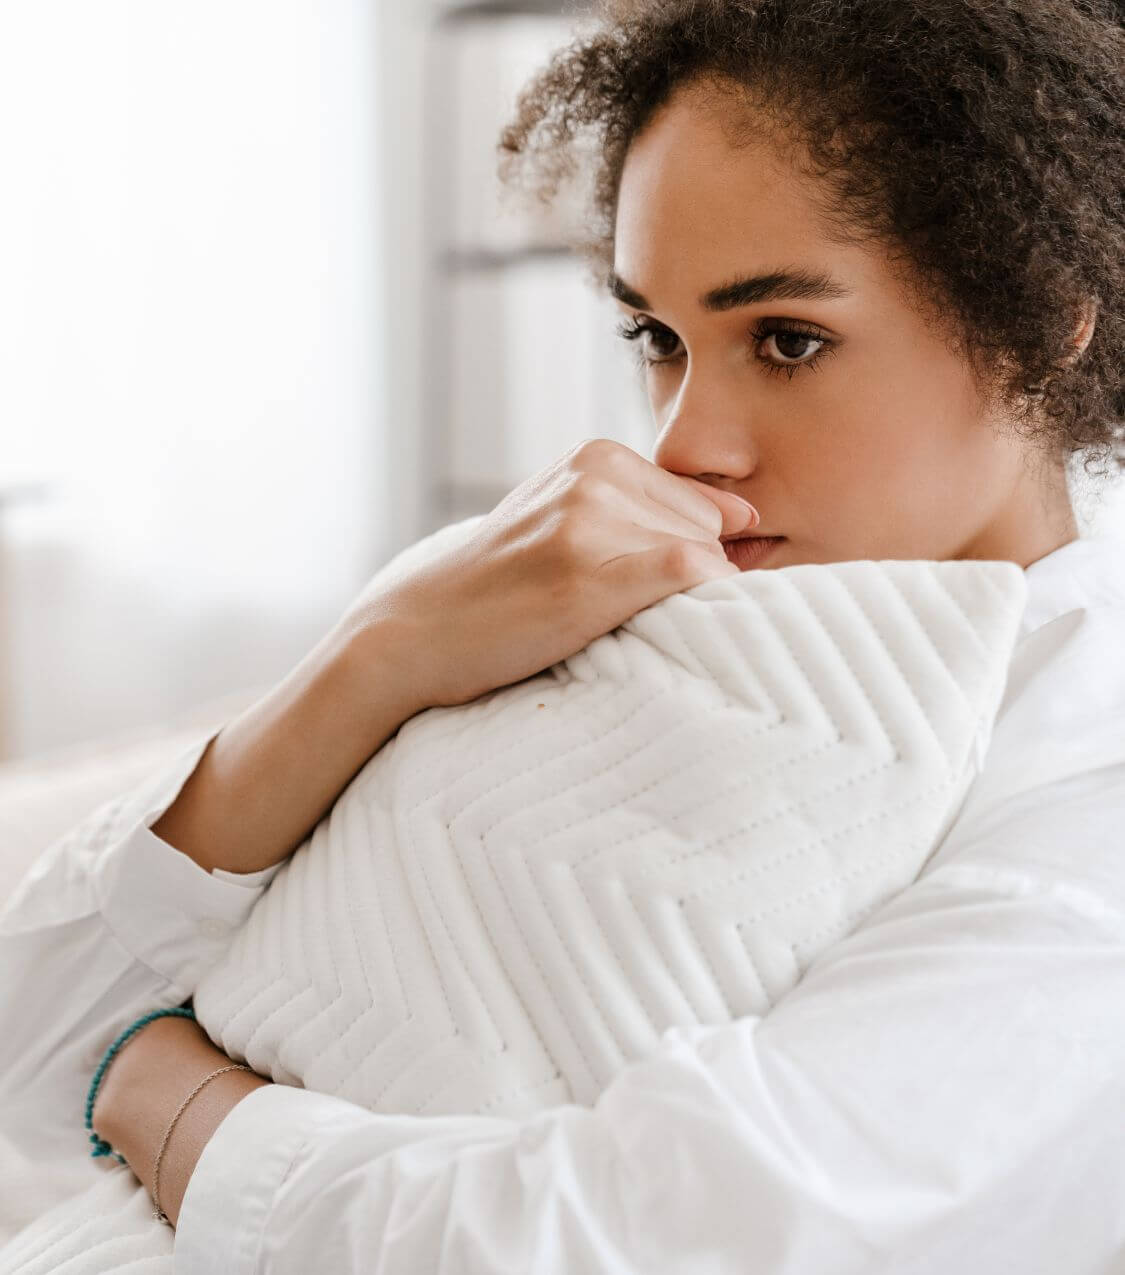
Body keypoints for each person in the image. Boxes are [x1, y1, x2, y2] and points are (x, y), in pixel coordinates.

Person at [2, 0, 1123, 1270]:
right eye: (657, 338)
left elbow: (640, 1241)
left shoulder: (1087, 811)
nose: (687, 444)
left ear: (1038, 321)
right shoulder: (633, 626)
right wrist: (381, 652)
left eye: (788, 340)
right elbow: (32, 1034)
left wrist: (169, 1098)